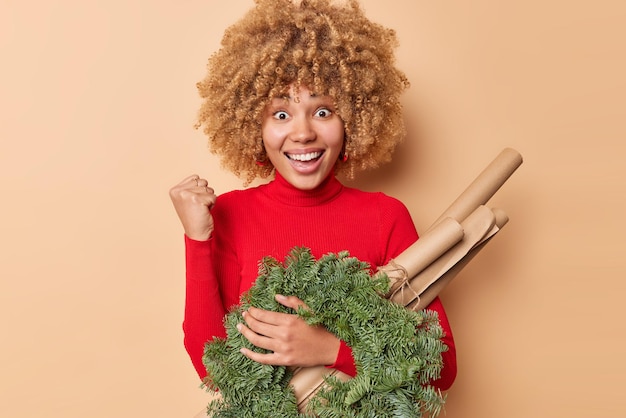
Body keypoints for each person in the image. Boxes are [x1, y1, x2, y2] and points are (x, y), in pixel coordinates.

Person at [169, 0, 457, 395]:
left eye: (323, 111)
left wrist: (328, 348)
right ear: (254, 124)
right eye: (281, 114)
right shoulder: (230, 213)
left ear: (353, 119)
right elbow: (213, 372)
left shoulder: (385, 217)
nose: (303, 133)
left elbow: (440, 370)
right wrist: (197, 240)